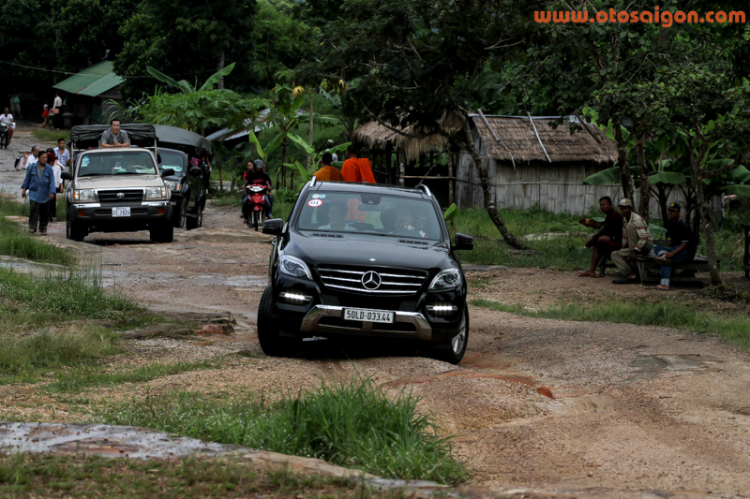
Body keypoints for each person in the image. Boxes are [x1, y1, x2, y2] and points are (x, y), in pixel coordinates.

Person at [653, 203, 697, 290]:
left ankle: (665, 284)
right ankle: (663, 255)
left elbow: (685, 244)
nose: (670, 213)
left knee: (667, 260)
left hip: (686, 252)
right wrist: (669, 251)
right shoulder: (671, 224)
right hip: (676, 248)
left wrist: (672, 253)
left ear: (678, 213)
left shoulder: (683, 225)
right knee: (657, 248)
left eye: (673, 211)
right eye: (669, 210)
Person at [611, 198, 654, 284]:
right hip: (633, 246)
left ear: (630, 208)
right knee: (615, 254)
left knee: (630, 226)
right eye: (621, 208)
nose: (622, 210)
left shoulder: (636, 219)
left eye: (624, 208)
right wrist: (623, 249)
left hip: (645, 245)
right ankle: (630, 274)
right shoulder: (624, 219)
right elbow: (625, 237)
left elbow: (643, 238)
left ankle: (634, 253)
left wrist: (635, 252)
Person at [578, 196, 623, 277]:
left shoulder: (615, 215)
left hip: (619, 242)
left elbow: (607, 231)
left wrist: (593, 239)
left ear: (611, 205)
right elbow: (605, 230)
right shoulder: (609, 215)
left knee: (601, 240)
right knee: (598, 244)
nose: (602, 206)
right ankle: (591, 270)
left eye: (604, 204)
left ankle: (592, 270)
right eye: (601, 205)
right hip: (613, 240)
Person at [21, 150, 56, 235]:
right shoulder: (32, 167)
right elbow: (27, 179)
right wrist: (24, 189)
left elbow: (52, 181)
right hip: (34, 193)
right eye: (43, 157)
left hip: (45, 193)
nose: (44, 159)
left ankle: (43, 228)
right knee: (33, 209)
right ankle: (33, 227)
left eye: (46, 158)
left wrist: (52, 192)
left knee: (44, 212)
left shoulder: (49, 169)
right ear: (39, 158)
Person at [46, 149, 63, 223]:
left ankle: (53, 216)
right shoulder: (45, 167)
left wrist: (61, 185)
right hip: (46, 186)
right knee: (46, 201)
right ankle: (47, 215)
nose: (52, 162)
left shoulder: (57, 168)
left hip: (54, 186)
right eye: (51, 161)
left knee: (53, 202)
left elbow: (59, 177)